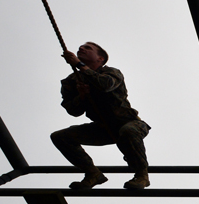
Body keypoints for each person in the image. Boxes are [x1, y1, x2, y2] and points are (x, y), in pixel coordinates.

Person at [51, 42, 151, 190]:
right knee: (60, 137)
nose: (81, 49)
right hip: (103, 128)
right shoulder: (71, 81)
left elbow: (105, 85)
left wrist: (79, 65)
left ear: (100, 59)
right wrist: (82, 96)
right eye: (81, 48)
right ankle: (93, 174)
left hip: (129, 122)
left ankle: (142, 175)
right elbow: (73, 110)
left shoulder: (111, 72)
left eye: (88, 48)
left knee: (128, 131)